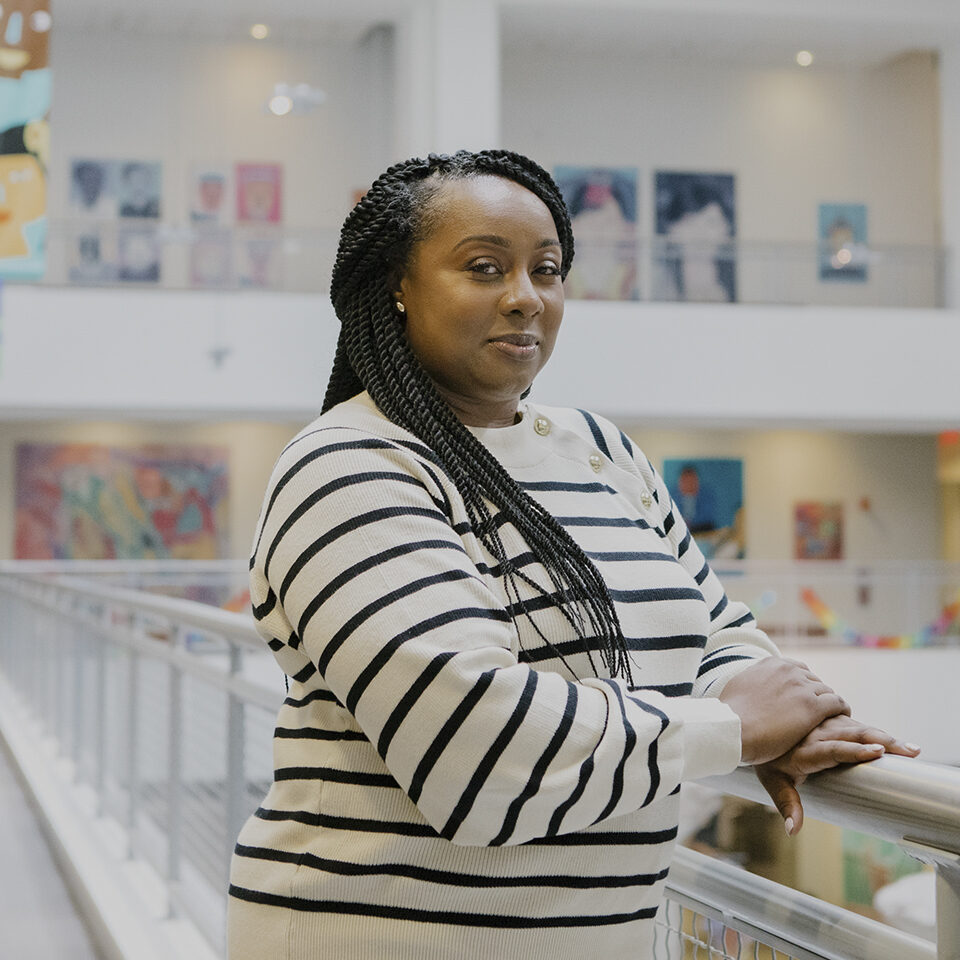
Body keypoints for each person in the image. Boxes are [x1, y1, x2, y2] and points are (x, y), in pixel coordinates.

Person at [227, 150, 919, 959]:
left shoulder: (599, 449)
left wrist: (784, 718)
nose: (526, 298)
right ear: (397, 287)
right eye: (484, 267)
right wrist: (731, 727)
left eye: (547, 270)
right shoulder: (348, 465)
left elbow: (718, 633)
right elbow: (475, 753)